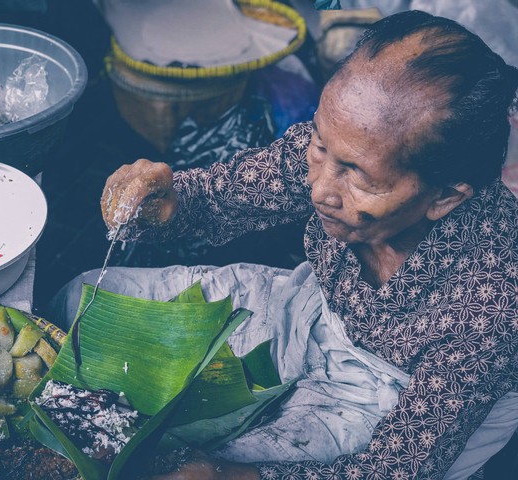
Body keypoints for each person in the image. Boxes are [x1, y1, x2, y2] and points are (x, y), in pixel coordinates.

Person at [49, 10, 518, 480]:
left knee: (179, 452)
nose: (320, 189)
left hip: (392, 396)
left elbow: (392, 469)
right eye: (318, 145)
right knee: (79, 300)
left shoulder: (493, 301)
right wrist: (167, 203)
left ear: (444, 196)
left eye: (358, 178)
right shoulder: (347, 143)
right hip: (316, 314)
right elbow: (222, 197)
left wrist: (225, 476)